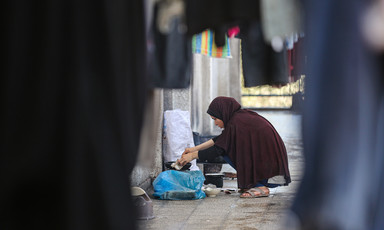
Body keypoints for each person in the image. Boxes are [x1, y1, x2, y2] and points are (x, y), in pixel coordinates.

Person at [178, 96, 291, 198]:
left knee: (226, 150)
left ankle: (260, 186)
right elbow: (219, 140)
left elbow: (218, 148)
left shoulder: (236, 122)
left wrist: (192, 156)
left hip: (272, 174)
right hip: (274, 170)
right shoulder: (238, 118)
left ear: (223, 113)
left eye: (215, 119)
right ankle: (254, 183)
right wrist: (193, 149)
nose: (215, 123)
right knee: (227, 146)